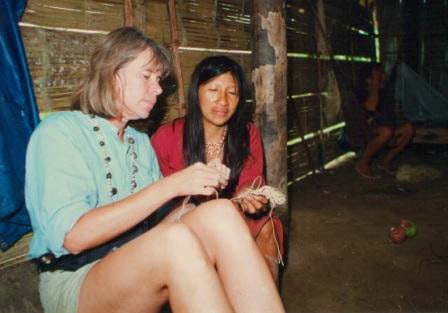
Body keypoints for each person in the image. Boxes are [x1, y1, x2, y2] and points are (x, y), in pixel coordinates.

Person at [25, 27, 285, 313]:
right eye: (147, 76)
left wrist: (193, 198)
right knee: (175, 243)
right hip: (77, 278)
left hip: (133, 261)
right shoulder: (60, 131)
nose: (158, 89)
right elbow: (72, 238)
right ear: (113, 73)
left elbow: (156, 228)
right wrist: (173, 185)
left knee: (221, 213)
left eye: (158, 79)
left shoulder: (138, 142)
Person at [151, 55, 284, 279]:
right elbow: (159, 203)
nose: (223, 101)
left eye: (232, 93)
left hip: (233, 212)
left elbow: (250, 182)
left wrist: (248, 196)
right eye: (214, 90)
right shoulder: (167, 137)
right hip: (184, 221)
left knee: (267, 225)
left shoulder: (246, 133)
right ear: (197, 92)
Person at [354, 62, 414, 179]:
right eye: (378, 75)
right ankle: (362, 163)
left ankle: (385, 162)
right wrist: (375, 86)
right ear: (369, 79)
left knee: (408, 129)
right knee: (386, 131)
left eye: (382, 74)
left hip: (383, 128)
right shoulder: (362, 91)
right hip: (365, 130)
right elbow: (370, 108)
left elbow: (388, 116)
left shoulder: (384, 91)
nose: (383, 76)